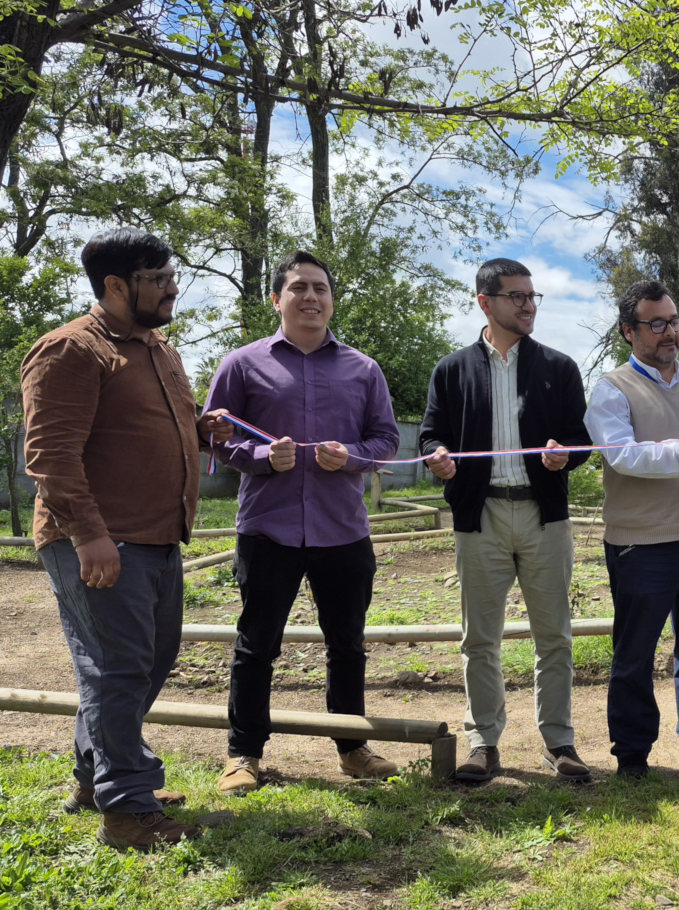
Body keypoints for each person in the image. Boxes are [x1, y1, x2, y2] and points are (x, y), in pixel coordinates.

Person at [22, 229, 231, 848]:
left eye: (172, 276)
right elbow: (51, 456)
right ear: (115, 285)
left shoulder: (158, 348)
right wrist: (90, 536)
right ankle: (129, 810)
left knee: (144, 664)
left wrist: (200, 430)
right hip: (100, 540)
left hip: (158, 536)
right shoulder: (70, 349)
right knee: (118, 669)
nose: (172, 289)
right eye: (157, 279)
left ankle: (97, 781)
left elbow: (136, 428)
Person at [205, 251, 402, 795]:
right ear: (277, 298)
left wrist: (354, 457)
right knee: (256, 644)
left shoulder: (363, 369)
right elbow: (216, 436)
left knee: (348, 644)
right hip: (268, 529)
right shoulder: (242, 364)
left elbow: (386, 438)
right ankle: (243, 754)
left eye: (321, 288)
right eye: (299, 288)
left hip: (344, 530)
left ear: (332, 300)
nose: (311, 297)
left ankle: (352, 748)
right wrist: (261, 458)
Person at [420, 258, 594, 784]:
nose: (528, 305)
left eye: (532, 296)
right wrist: (437, 455)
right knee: (480, 638)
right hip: (481, 515)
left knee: (554, 636)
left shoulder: (560, 366)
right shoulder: (451, 369)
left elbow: (581, 440)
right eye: (516, 296)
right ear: (485, 302)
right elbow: (430, 434)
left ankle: (559, 742)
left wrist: (566, 455)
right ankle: (483, 743)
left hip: (545, 518)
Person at [584, 280, 679, 778]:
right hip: (640, 543)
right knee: (635, 652)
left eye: (674, 321)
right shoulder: (611, 389)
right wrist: (678, 453)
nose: (670, 332)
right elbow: (620, 454)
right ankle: (632, 751)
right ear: (629, 331)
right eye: (657, 323)